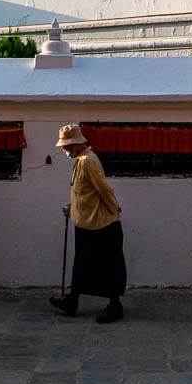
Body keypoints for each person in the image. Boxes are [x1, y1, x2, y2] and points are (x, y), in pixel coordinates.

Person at [50, 123, 127, 324]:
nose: (64, 150)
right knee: (81, 265)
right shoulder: (80, 160)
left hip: (101, 224)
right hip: (86, 224)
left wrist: (114, 208)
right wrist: (72, 207)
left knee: (107, 265)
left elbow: (103, 189)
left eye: (66, 147)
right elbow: (83, 192)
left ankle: (114, 305)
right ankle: (72, 301)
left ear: (75, 145)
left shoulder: (88, 161)